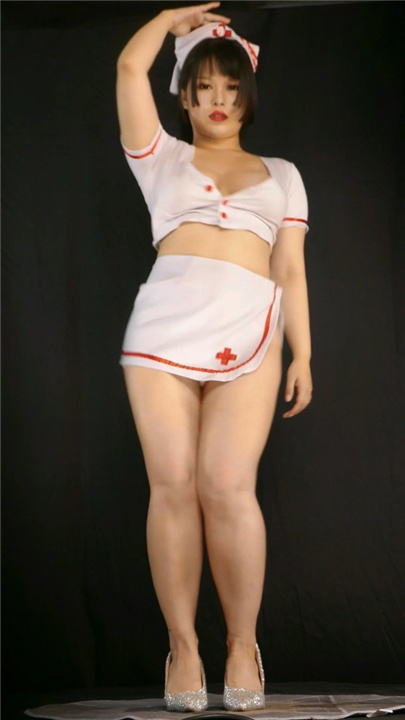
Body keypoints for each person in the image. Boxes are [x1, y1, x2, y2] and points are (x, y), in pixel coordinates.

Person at [116, 2, 312, 712]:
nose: (217, 100)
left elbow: (289, 269)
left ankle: (240, 645)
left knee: (225, 485)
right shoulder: (159, 157)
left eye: (230, 87)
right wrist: (170, 17)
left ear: (247, 95)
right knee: (172, 485)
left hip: (249, 327)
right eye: (202, 88)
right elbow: (128, 67)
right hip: (162, 333)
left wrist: (303, 353)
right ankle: (182, 647)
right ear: (184, 96)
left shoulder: (282, 174)